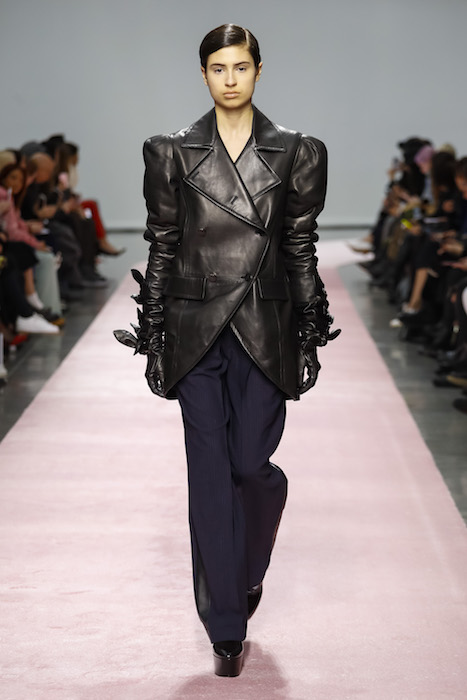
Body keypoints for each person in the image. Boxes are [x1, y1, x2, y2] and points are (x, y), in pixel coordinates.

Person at [115, 23, 339, 677]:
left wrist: (310, 327)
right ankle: (226, 624)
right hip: (195, 325)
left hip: (265, 324)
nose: (231, 78)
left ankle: (248, 566)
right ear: (204, 74)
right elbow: (163, 241)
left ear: (258, 71)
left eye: (241, 67)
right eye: (219, 68)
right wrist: (154, 334)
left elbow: (299, 244)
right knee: (210, 472)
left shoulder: (298, 150)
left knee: (251, 467)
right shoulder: (170, 151)